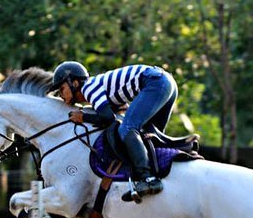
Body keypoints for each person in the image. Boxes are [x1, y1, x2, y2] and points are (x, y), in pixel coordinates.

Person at [51, 61, 178, 199]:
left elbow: (107, 118)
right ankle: (160, 173)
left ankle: (148, 179)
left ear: (74, 83)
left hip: (155, 82)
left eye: (61, 89)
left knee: (127, 129)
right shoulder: (97, 87)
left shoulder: (88, 88)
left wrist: (83, 117)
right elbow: (120, 108)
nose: (60, 95)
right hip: (163, 81)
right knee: (149, 134)